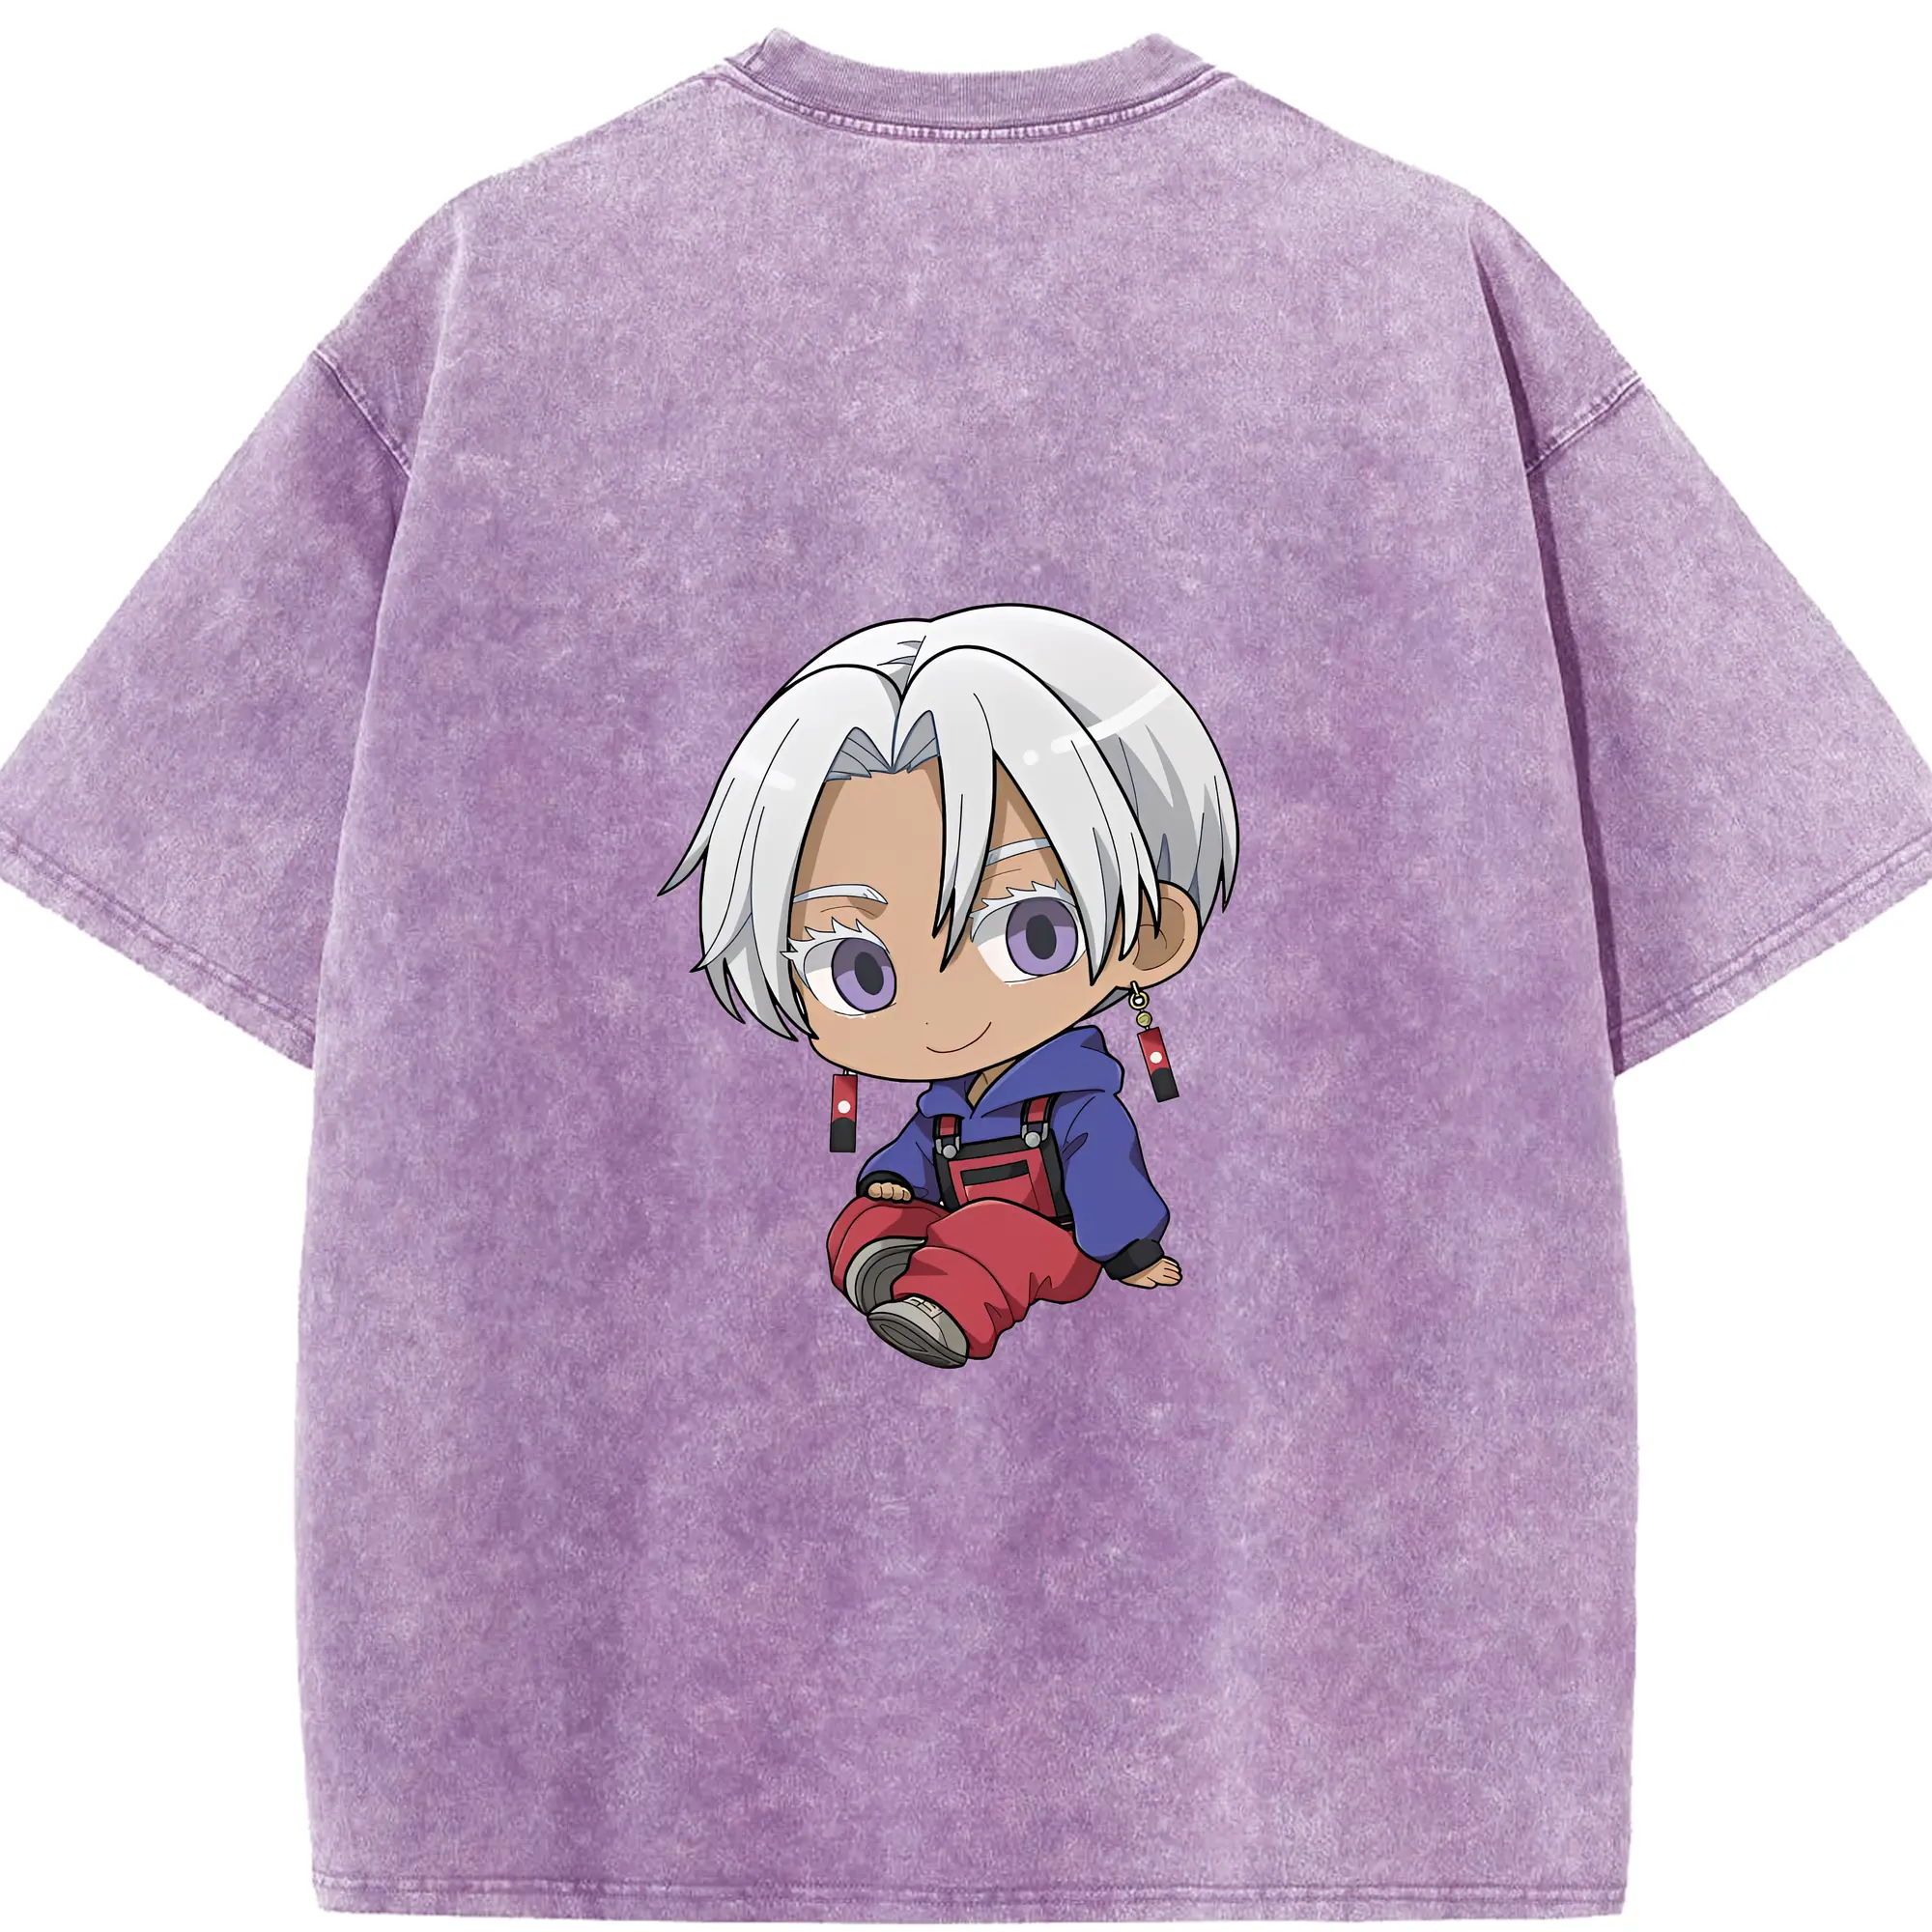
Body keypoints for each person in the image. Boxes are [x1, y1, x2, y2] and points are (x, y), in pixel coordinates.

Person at [661, 602, 1238, 1365]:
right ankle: (889, 1270)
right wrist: (892, 1181)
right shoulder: (944, 1109)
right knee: (869, 1219)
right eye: (855, 967)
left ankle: (945, 1312)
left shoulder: (1080, 1105)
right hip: (952, 1231)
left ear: (1151, 934)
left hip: (1052, 1247)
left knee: (990, 1232)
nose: (938, 1011)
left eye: (1032, 930)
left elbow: (1108, 1183)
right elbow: (914, 1152)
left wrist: (1131, 1255)